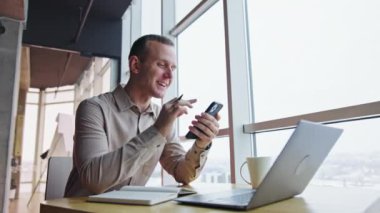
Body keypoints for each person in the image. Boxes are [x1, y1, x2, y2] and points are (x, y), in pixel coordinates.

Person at [64, 34, 221, 197]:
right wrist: (158, 130)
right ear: (135, 65)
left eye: (173, 68)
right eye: (162, 65)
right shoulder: (93, 108)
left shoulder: (162, 117)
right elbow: (94, 180)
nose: (170, 76)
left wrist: (202, 144)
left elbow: (182, 173)